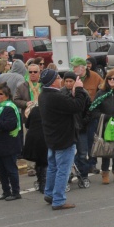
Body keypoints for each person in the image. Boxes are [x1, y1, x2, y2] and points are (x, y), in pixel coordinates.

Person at [38, 68, 82, 210]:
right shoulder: (56, 96)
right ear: (52, 81)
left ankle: (49, 193)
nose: (60, 80)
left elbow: (68, 105)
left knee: (53, 167)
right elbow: (77, 106)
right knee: (63, 169)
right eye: (57, 77)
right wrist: (79, 90)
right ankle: (58, 199)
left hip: (52, 137)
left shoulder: (43, 95)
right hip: (64, 138)